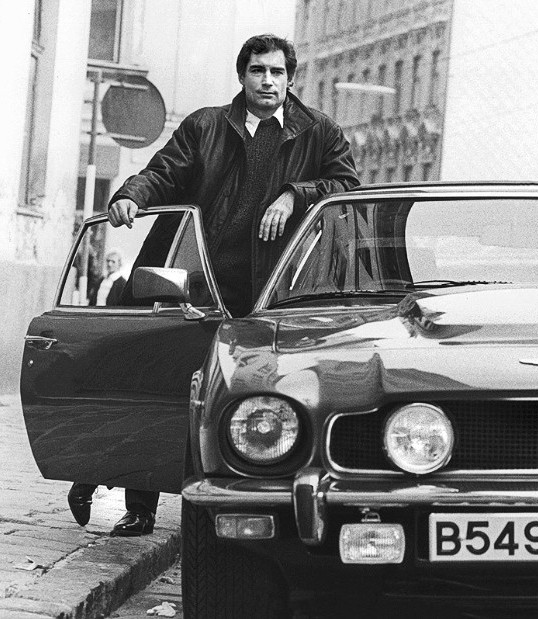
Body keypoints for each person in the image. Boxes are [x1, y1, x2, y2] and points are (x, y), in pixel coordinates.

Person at [66, 33, 360, 537]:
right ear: (241, 76)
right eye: (257, 71)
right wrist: (132, 195)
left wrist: (295, 193)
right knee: (160, 388)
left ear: (291, 79)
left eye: (277, 72)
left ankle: (240, 504)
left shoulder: (319, 132)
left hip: (267, 294)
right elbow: (163, 172)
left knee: (249, 399)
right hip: (191, 282)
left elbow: (348, 185)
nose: (267, 81)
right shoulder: (206, 126)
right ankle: (136, 503)